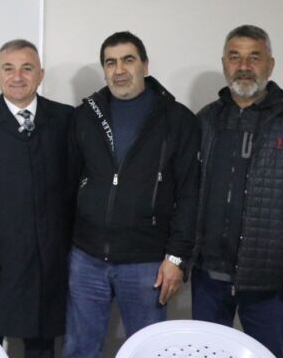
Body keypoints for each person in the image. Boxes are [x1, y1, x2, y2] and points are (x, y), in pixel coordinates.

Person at [192, 25, 283, 358]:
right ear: (224, 64)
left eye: (254, 57)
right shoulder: (206, 120)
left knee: (267, 354)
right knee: (205, 354)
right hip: (208, 275)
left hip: (267, 280)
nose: (244, 66)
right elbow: (187, 193)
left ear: (270, 65)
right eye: (235, 57)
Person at [63, 32, 199, 358]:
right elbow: (69, 183)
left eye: (128, 60)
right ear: (104, 70)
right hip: (86, 258)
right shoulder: (85, 116)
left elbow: (190, 195)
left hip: (147, 261)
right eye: (111, 63)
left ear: (145, 66)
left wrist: (177, 258)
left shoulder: (177, 119)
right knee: (79, 349)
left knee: (147, 351)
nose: (119, 69)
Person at [0, 39, 74, 358]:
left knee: (42, 345)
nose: (18, 76)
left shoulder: (65, 119)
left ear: (41, 74)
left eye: (27, 68)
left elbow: (73, 187)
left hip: (49, 260)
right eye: (8, 68)